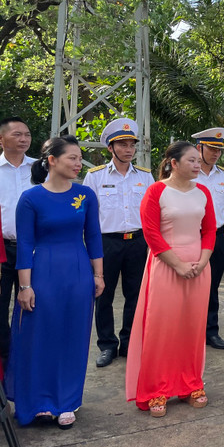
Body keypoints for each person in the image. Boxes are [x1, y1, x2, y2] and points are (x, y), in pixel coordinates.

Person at [8, 135, 104, 428]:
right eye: (72, 158)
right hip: (43, 274)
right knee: (40, 337)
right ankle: (38, 400)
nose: (78, 163)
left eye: (79, 158)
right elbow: (25, 244)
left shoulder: (85, 195)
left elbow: (94, 237)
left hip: (78, 275)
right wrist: (25, 286)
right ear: (52, 160)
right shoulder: (31, 198)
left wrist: (98, 275)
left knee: (73, 337)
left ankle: (67, 401)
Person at [125, 141, 216, 417]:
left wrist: (201, 262)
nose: (198, 165)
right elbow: (151, 234)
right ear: (173, 163)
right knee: (161, 329)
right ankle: (156, 389)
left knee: (192, 327)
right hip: (166, 265)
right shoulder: (156, 191)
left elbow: (210, 230)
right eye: (191, 160)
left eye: (198, 161)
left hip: (199, 267)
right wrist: (177, 264)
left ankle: (191, 384)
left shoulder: (203, 192)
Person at [83, 118, 154, 368]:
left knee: (135, 294)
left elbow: (152, 212)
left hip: (137, 241)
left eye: (131, 145)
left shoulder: (145, 177)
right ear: (110, 148)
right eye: (122, 144)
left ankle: (129, 342)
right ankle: (107, 345)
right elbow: (88, 217)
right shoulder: (95, 177)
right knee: (104, 295)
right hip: (106, 243)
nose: (128, 149)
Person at [192, 127, 224, 350]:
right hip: (191, 236)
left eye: (219, 149)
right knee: (189, 285)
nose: (216, 153)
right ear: (199, 147)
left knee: (212, 286)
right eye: (211, 148)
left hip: (217, 237)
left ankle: (211, 331)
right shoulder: (188, 173)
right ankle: (189, 332)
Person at [0, 116, 36, 365]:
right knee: (1, 310)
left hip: (34, 250)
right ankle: (5, 361)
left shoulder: (41, 169)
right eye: (17, 134)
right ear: (1, 139)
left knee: (32, 305)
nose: (24, 139)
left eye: (27, 134)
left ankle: (29, 359)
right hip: (2, 250)